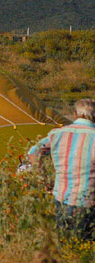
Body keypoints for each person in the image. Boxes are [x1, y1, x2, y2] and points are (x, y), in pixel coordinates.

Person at [28, 98, 94, 240]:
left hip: (61, 197)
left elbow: (33, 152)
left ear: (75, 114)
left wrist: (44, 180)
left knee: (64, 241)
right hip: (89, 201)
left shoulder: (57, 133)